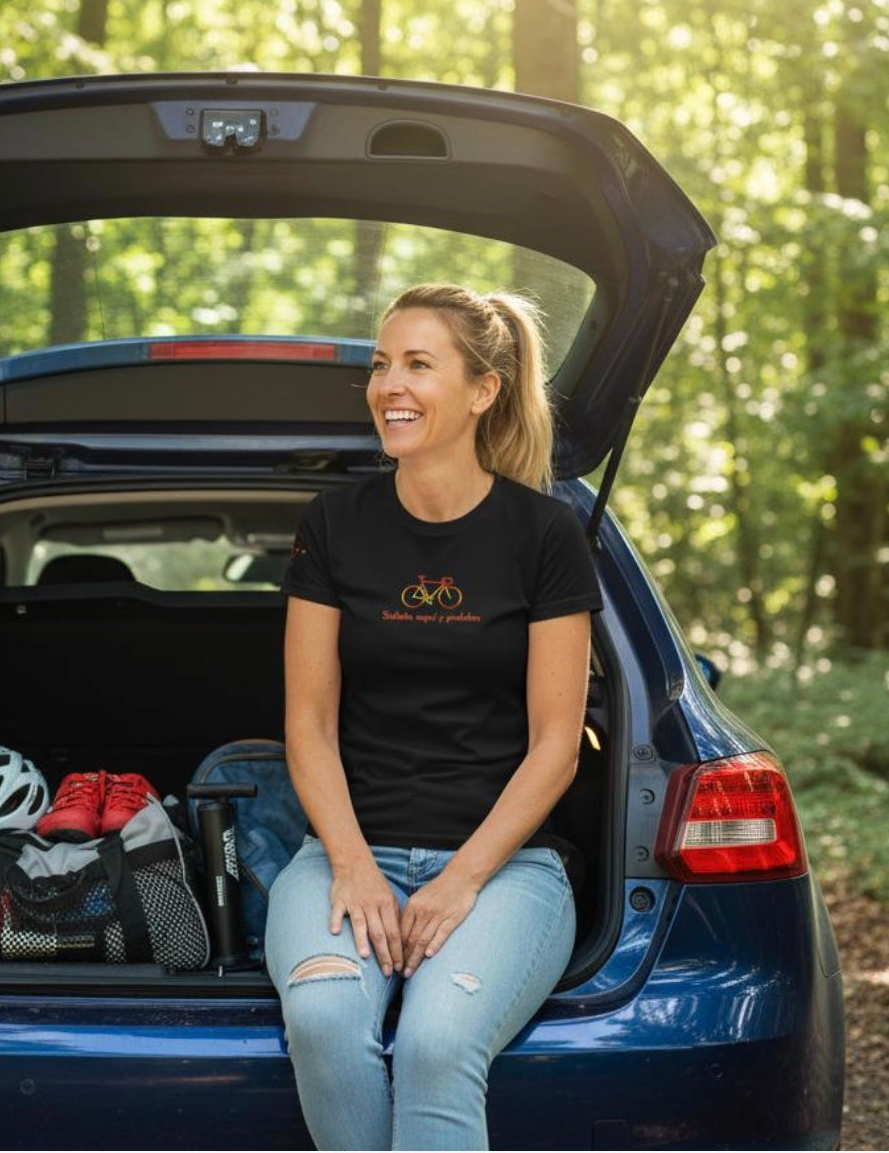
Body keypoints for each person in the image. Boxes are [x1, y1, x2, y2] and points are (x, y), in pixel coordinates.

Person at [265, 283, 603, 1151]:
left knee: (436, 1044)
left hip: (506, 871)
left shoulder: (545, 533)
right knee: (327, 1025)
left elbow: (557, 745)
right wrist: (350, 866)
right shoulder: (335, 524)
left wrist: (460, 881)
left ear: (484, 390)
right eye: (382, 365)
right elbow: (307, 721)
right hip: (345, 855)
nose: (389, 386)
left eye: (419, 364)